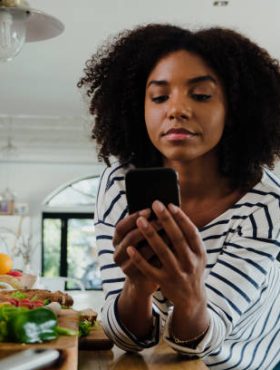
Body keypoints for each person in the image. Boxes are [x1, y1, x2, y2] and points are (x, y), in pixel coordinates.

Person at [78, 24, 280, 369]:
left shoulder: (266, 204)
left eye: (200, 95)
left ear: (235, 110)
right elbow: (127, 340)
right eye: (159, 96)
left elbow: (200, 344)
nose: (176, 110)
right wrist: (137, 288)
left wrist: (188, 294)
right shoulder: (118, 186)